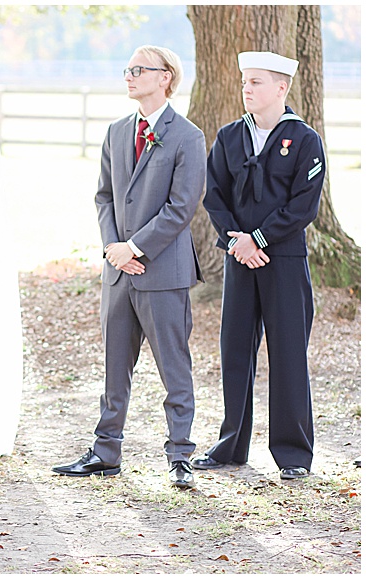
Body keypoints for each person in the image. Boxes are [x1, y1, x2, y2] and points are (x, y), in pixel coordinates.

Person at [51, 45, 206, 490]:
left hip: (163, 272)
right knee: (114, 366)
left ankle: (180, 456)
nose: (130, 76)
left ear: (166, 77)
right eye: (128, 69)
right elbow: (104, 196)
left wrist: (136, 248)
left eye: (140, 70)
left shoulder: (187, 136)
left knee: (174, 367)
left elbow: (182, 207)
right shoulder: (118, 132)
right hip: (117, 273)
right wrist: (113, 249)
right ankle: (106, 451)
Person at [193, 51, 325, 480]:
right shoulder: (230, 135)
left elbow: (304, 205)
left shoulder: (304, 139)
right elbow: (215, 195)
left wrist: (260, 239)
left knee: (287, 353)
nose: (246, 89)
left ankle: (293, 455)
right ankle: (231, 446)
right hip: (238, 258)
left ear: (281, 88)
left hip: (283, 259)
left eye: (256, 82)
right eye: (245, 81)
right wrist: (238, 241)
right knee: (235, 351)